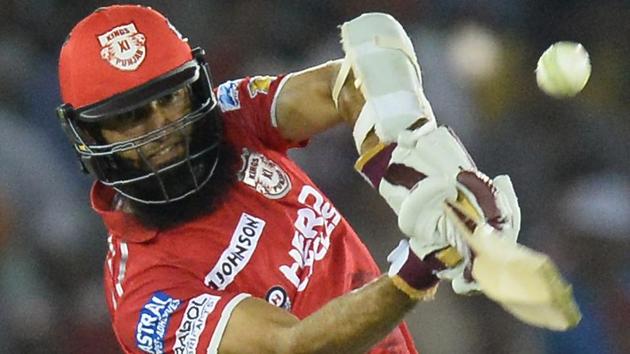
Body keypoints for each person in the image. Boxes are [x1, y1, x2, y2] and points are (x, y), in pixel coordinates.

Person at [56, 5, 520, 354]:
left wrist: (424, 180)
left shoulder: (229, 118)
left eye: (171, 97)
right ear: (90, 134)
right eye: (132, 116)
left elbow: (356, 78)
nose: (164, 127)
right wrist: (423, 261)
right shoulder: (145, 296)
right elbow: (292, 345)